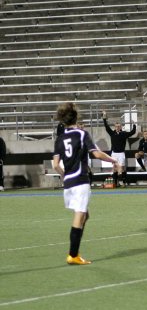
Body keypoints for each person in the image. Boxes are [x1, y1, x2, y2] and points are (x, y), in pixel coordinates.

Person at [53, 102, 119, 265]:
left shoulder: (60, 138)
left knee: (84, 215)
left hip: (68, 182)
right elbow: (96, 154)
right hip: (80, 180)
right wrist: (113, 160)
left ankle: (75, 252)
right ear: (76, 117)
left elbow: (55, 165)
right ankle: (73, 254)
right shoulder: (82, 134)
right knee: (80, 214)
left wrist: (64, 176)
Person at [102, 110, 136, 187]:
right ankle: (115, 183)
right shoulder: (112, 133)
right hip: (114, 153)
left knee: (122, 168)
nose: (117, 127)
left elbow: (132, 132)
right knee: (114, 168)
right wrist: (104, 118)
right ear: (115, 127)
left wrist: (134, 124)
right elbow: (106, 127)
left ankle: (123, 182)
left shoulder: (123, 134)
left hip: (121, 153)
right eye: (116, 126)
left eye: (118, 126)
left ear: (121, 127)